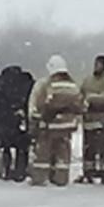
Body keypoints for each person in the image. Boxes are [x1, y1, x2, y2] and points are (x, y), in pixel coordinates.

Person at [27, 55, 86, 186]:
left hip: (50, 124)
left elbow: (39, 104)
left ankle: (41, 178)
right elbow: (81, 105)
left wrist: (36, 119)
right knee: (63, 152)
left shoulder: (46, 84)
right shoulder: (73, 85)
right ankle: (61, 178)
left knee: (43, 152)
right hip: (67, 126)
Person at [0, 65, 34, 182]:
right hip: (21, 119)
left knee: (6, 147)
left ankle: (6, 170)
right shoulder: (27, 83)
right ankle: (20, 171)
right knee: (22, 147)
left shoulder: (2, 83)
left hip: (6, 120)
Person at [79, 55, 104, 183]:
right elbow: (81, 95)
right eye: (95, 64)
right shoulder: (88, 80)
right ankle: (88, 172)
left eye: (99, 64)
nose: (97, 67)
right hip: (88, 120)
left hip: (103, 120)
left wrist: (93, 98)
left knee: (103, 148)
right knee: (88, 148)